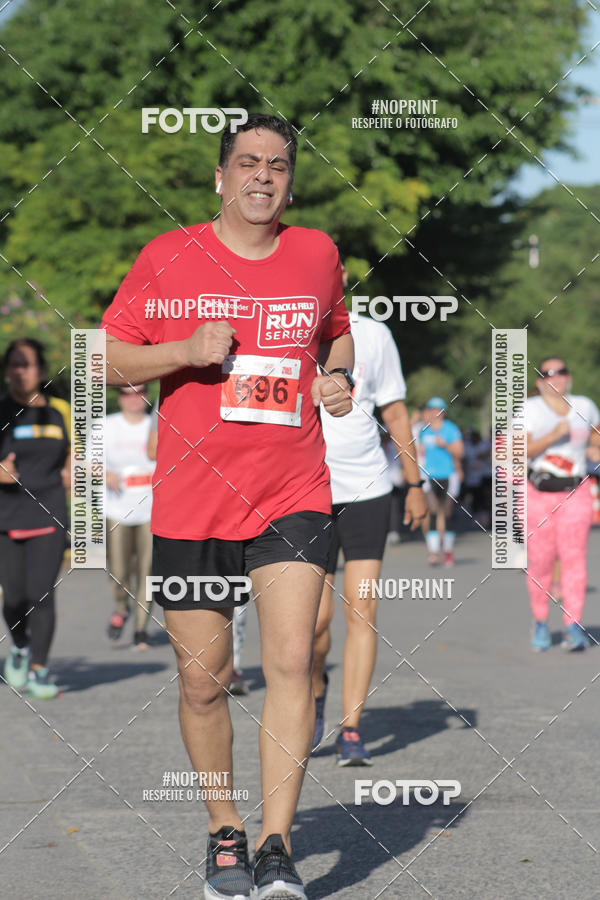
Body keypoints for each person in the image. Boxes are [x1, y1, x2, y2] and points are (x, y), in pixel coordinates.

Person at [101, 113, 354, 900]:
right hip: (193, 502)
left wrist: (337, 377)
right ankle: (225, 831)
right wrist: (182, 351)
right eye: (247, 162)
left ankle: (277, 845)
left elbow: (335, 331)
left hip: (294, 493)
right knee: (204, 682)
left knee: (292, 663)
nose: (263, 176)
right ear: (220, 176)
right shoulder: (168, 257)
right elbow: (105, 355)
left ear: (289, 181)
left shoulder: (316, 253)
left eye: (277, 165)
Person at [312, 311, 427, 764]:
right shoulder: (285, 327)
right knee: (314, 623)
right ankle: (315, 695)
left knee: (362, 609)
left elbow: (395, 410)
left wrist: (414, 485)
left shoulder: (374, 333)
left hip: (368, 489)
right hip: (305, 491)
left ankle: (351, 728)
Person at [0, 338, 70, 699]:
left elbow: (69, 455)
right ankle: (20, 647)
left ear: (40, 371)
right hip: (7, 514)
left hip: (50, 511)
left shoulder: (57, 414)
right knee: (14, 596)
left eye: (25, 364)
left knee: (42, 594)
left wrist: (74, 473)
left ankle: (40, 668)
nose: (19, 371)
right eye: (13, 364)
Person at [526, 357, 600, 652]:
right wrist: (555, 435)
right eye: (549, 373)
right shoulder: (529, 410)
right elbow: (520, 451)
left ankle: (573, 625)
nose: (557, 378)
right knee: (542, 562)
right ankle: (541, 622)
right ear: (540, 381)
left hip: (575, 491)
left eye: (562, 372)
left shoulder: (584, 405)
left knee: (574, 561)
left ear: (569, 377)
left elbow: (596, 436)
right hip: (538, 494)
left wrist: (595, 447)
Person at [105, 384, 156, 650]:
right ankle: (121, 607)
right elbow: (86, 461)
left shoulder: (155, 425)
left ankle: (140, 629)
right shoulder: (108, 425)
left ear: (146, 397)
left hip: (151, 509)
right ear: (120, 398)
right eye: (127, 393)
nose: (134, 399)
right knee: (119, 571)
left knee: (147, 570)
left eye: (139, 393)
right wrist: (104, 473)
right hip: (117, 508)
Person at [419, 398, 464, 566]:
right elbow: (421, 453)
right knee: (431, 510)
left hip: (448, 475)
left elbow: (460, 452)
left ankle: (448, 551)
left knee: (447, 512)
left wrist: (444, 444)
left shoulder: (451, 430)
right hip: (429, 476)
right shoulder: (424, 431)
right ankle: (433, 552)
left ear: (443, 412)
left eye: (436, 409)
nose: (433, 412)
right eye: (430, 408)